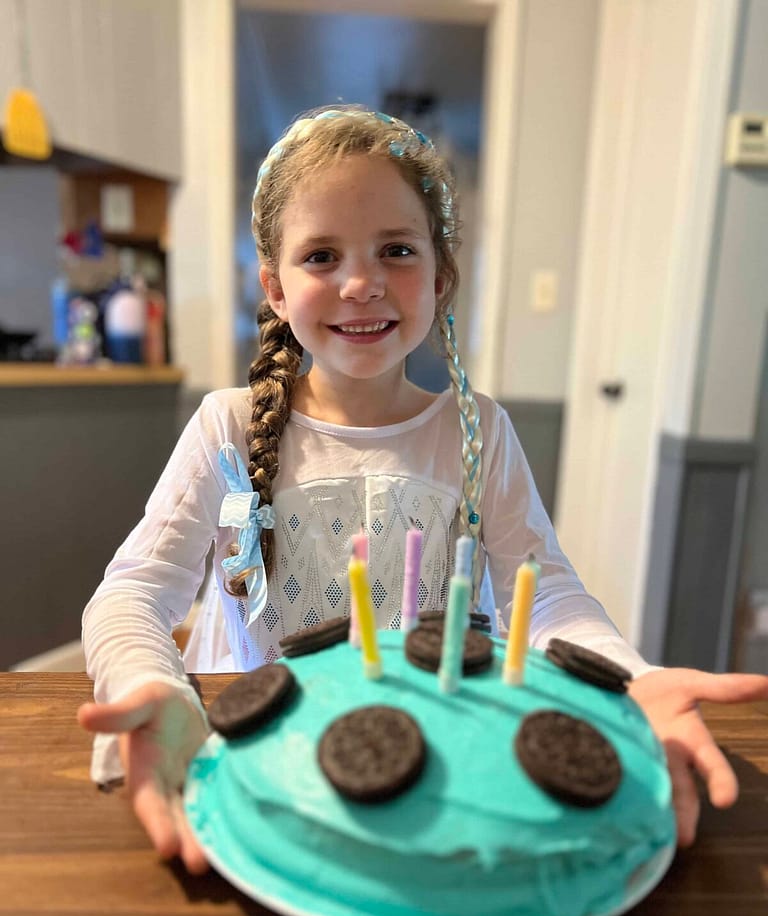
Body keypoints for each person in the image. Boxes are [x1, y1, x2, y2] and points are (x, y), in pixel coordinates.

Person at [78, 105, 768, 876]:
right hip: (259, 777)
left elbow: (546, 595)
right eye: (322, 256)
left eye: (396, 251)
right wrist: (149, 681)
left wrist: (628, 682)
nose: (362, 283)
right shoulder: (225, 429)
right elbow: (134, 592)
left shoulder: (482, 433)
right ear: (275, 288)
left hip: (432, 790)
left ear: (441, 278)